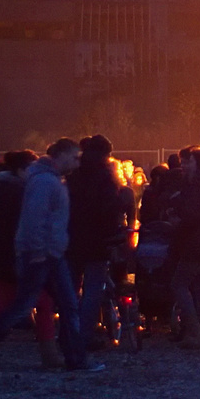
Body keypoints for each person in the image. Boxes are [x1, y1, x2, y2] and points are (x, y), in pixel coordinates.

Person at [0, 138, 101, 373]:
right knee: (27, 306)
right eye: (73, 157)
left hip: (47, 252)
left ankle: (76, 358)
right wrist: (38, 251)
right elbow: (34, 218)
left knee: (60, 305)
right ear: (60, 156)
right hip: (41, 254)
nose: (77, 163)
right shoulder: (46, 182)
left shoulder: (46, 180)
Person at [67, 135, 128, 351]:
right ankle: (85, 334)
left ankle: (68, 332)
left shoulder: (74, 174)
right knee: (93, 289)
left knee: (71, 288)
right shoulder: (105, 178)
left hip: (73, 238)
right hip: (98, 240)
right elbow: (111, 210)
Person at [166, 146, 200, 345]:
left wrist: (177, 217)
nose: (183, 165)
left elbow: (193, 213)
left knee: (179, 285)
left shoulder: (195, 183)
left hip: (196, 241)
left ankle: (194, 331)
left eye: (188, 161)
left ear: (198, 162)